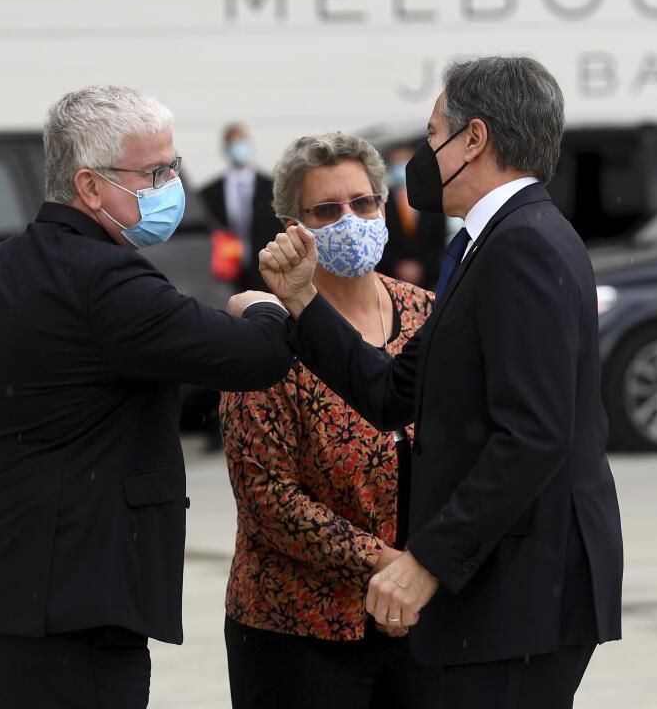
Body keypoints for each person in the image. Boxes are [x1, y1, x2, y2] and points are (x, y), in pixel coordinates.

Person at [253, 56, 624, 709]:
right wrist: (303, 303)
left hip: (523, 596)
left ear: (473, 140)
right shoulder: (492, 244)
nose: (420, 159)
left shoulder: (523, 246)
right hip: (507, 599)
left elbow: (534, 434)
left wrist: (427, 561)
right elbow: (393, 391)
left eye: (432, 138)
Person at [0, 86, 299, 709]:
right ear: (91, 186)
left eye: (173, 167)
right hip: (73, 608)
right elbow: (254, 357)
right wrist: (266, 308)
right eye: (154, 172)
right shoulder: (106, 279)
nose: (171, 186)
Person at [221, 132, 440, 709]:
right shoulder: (269, 333)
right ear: (295, 226)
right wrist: (383, 565)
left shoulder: (426, 313)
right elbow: (266, 495)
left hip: (421, 618)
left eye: (364, 203)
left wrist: (422, 571)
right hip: (298, 632)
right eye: (327, 210)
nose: (351, 219)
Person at [202, 122, 282, 291]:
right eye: (233, 143)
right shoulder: (209, 192)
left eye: (242, 142)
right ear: (225, 148)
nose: (239, 148)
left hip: (263, 269)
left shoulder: (272, 187)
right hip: (226, 269)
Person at [378, 143, 447, 288]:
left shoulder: (431, 199)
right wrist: (397, 267)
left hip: (428, 281)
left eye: (405, 161)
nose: (401, 167)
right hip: (392, 280)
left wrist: (421, 268)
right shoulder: (383, 202)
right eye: (396, 162)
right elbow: (381, 241)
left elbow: (439, 241)